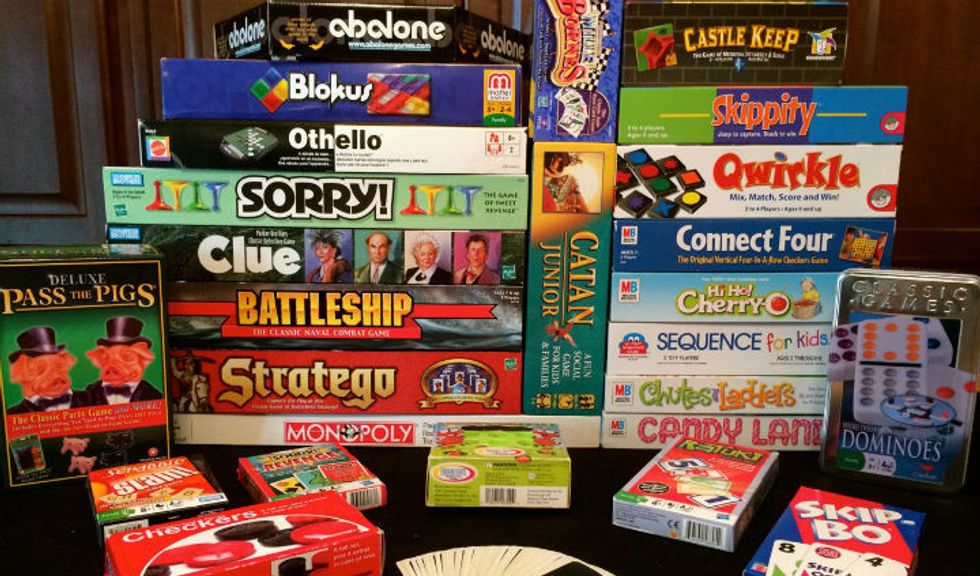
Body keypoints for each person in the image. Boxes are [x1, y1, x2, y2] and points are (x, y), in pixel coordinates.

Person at [6, 326, 87, 413]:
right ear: (23, 374)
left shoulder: (91, 399)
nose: (56, 375)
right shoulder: (12, 414)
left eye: (59, 367)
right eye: (40, 369)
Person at [84, 316, 163, 405]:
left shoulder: (154, 396)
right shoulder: (91, 391)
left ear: (144, 359)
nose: (112, 365)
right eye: (107, 358)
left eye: (127, 357)